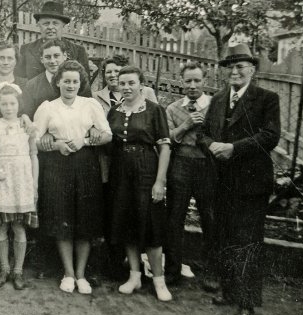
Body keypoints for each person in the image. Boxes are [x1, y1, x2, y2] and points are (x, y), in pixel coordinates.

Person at [201, 44, 280, 315]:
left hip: (251, 182)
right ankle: (229, 290)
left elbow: (271, 136)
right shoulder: (219, 99)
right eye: (230, 67)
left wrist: (233, 148)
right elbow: (203, 134)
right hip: (221, 181)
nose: (235, 72)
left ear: (252, 70)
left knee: (247, 241)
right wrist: (213, 146)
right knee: (225, 236)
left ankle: (247, 304)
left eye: (241, 67)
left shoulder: (267, 98)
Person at [33, 60, 112, 295]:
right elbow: (35, 140)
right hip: (57, 166)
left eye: (75, 81)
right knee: (62, 217)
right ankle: (68, 274)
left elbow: (107, 135)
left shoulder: (90, 105)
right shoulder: (47, 107)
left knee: (85, 219)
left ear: (81, 84)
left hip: (86, 163)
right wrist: (56, 144)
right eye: (66, 80)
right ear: (58, 82)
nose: (70, 85)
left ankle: (81, 274)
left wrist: (85, 141)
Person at [107, 65, 172, 302]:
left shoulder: (154, 110)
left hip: (146, 169)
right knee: (126, 223)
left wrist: (160, 182)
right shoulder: (114, 111)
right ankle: (134, 276)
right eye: (122, 83)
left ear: (141, 84)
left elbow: (164, 147)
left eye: (131, 83)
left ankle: (158, 280)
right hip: (121, 172)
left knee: (151, 225)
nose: (126, 87)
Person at [164, 62, 217, 290]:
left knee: (211, 217)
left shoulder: (216, 106)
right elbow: (167, 137)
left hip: (208, 165)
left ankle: (213, 273)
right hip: (181, 165)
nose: (193, 85)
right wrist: (185, 125)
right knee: (175, 217)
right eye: (188, 81)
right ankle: (172, 271)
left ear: (205, 81)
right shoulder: (173, 108)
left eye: (197, 80)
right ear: (181, 82)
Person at [0, 84, 39, 290]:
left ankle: (18, 270)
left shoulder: (27, 126)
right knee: (1, 227)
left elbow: (34, 155)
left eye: (12, 103)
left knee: (18, 228)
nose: (8, 107)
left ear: (19, 104)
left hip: (22, 181)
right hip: (1, 181)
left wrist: (34, 185)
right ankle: (4, 268)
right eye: (4, 103)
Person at [15, 1, 89, 80]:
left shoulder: (78, 51)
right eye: (46, 23)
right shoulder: (26, 49)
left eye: (55, 23)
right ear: (39, 25)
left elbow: (85, 84)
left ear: (63, 26)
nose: (50, 27)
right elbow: (20, 80)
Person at [21, 39, 91, 119]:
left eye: (56, 56)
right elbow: (28, 116)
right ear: (42, 59)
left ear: (64, 56)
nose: (52, 61)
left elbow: (88, 110)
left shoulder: (78, 81)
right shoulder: (32, 85)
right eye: (47, 57)